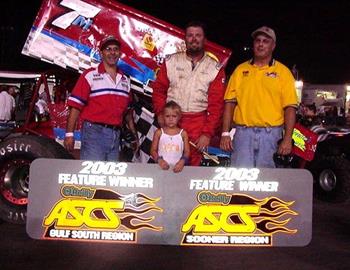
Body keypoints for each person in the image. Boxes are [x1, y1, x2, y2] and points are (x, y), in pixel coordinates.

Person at [220, 26, 298, 168]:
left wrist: (287, 138)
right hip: (243, 134)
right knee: (240, 179)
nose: (261, 44)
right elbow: (229, 104)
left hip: (271, 135)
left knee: (269, 181)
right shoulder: (240, 70)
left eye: (266, 41)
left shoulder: (283, 72)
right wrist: (225, 133)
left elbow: (290, 108)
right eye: (258, 40)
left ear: (273, 46)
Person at [152, 21, 226, 166]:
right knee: (167, 161)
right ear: (185, 39)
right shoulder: (171, 61)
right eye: (190, 35)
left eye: (198, 35)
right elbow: (159, 91)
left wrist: (207, 133)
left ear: (205, 40)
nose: (194, 39)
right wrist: (161, 113)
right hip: (172, 119)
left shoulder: (215, 68)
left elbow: (216, 105)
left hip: (198, 122)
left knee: (193, 165)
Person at [64, 35, 138, 161]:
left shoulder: (125, 80)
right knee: (93, 176)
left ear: (120, 53)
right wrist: (69, 134)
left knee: (110, 177)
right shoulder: (90, 75)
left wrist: (134, 135)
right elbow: (75, 107)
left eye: (115, 49)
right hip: (94, 132)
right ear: (101, 53)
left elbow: (127, 113)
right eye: (108, 49)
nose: (112, 53)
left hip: (115, 135)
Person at [150, 101, 190, 173]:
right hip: (161, 168)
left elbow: (187, 152)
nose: (170, 119)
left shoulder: (183, 133)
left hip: (178, 169)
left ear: (179, 117)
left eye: (174, 116)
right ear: (163, 117)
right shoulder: (159, 132)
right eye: (167, 116)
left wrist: (182, 162)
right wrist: (159, 160)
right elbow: (152, 150)